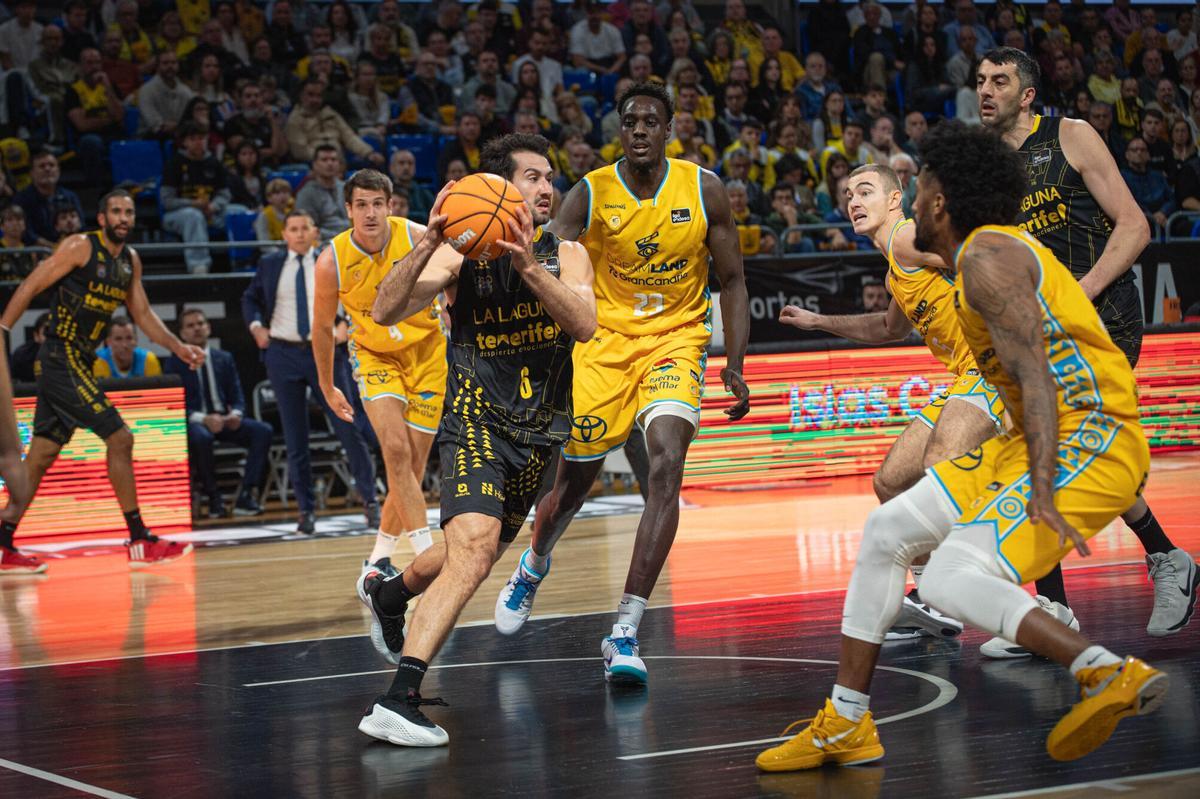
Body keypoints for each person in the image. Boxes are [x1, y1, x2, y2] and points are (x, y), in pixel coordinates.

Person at [756, 119, 1166, 773]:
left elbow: (1038, 376)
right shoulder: (968, 254)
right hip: (1036, 430)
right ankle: (847, 723)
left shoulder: (987, 259)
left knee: (949, 573)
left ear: (939, 202)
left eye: (917, 190)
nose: (910, 205)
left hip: (1089, 436)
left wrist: (1038, 481)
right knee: (887, 527)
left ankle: (1103, 669)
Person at [492, 83, 750, 684]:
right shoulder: (590, 192)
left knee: (666, 463)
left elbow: (734, 281)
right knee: (570, 490)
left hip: (675, 341)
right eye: (630, 120)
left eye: (650, 121)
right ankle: (534, 564)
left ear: (669, 129)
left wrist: (734, 362)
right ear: (619, 129)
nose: (639, 129)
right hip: (602, 347)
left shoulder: (703, 188)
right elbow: (546, 262)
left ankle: (626, 629)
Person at [356, 133, 596, 744]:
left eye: (549, 178)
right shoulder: (458, 257)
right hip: (475, 421)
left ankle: (391, 593)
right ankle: (398, 700)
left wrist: (528, 267)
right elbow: (384, 310)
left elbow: (584, 324)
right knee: (473, 548)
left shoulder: (566, 254)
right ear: (496, 189)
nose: (546, 188)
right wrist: (429, 241)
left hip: (539, 433)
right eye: (532, 177)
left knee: (474, 552)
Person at [978, 47, 1198, 643]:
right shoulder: (985, 166)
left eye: (1000, 81)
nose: (986, 90)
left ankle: (1158, 562)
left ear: (1028, 94)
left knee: (1063, 446)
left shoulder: (1071, 136)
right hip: (1037, 331)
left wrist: (1080, 291)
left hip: (1105, 317)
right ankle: (1071, 598)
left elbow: (1135, 226)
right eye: (980, 81)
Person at [780, 162, 1011, 637]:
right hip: (965, 377)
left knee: (940, 465)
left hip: (995, 367)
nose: (853, 202)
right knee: (890, 482)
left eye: (865, 191)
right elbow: (888, 328)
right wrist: (817, 322)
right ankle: (935, 598)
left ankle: (976, 578)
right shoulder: (895, 272)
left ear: (894, 199)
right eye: (848, 195)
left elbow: (973, 251)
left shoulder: (907, 239)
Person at [0, 191, 204, 573]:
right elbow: (30, 285)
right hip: (60, 357)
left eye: (129, 212)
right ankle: (139, 539)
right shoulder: (79, 246)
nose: (124, 217)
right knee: (120, 438)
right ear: (101, 217)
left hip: (79, 360)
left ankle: (2, 541)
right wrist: (3, 328)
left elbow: (143, 315)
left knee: (41, 456)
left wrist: (178, 347)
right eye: (116, 211)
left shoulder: (129, 261)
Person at [312, 168, 449, 577]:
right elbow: (322, 328)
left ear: (390, 206)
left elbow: (453, 283)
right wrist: (326, 385)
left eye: (377, 204)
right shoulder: (331, 260)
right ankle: (427, 555)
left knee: (412, 466)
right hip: (375, 357)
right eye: (361, 205)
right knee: (395, 450)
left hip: (428, 354)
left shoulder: (418, 236)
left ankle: (377, 557)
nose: (369, 213)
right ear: (348, 210)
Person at [241, 210, 379, 534]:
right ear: (284, 234)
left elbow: (357, 299)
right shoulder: (270, 264)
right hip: (283, 352)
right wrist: (257, 327)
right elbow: (250, 298)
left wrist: (347, 325)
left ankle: (371, 502)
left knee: (349, 427)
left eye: (305, 228)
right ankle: (306, 511)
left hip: (326, 351)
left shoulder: (332, 260)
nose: (300, 233)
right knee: (295, 437)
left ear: (316, 232)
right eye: (293, 228)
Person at [166, 308, 271, 519]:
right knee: (201, 437)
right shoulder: (175, 363)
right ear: (182, 334)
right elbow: (173, 405)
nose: (197, 328)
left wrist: (236, 415)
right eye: (190, 326)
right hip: (196, 422)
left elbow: (238, 395)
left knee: (263, 431)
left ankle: (246, 495)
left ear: (208, 328)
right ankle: (214, 498)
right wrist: (203, 419)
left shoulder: (224, 358)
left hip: (224, 420)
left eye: (200, 323)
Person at [162, 121, 243, 275]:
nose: (198, 142)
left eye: (201, 138)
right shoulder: (174, 164)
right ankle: (199, 267)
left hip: (210, 211)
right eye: (193, 139)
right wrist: (193, 204)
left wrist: (214, 206)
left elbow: (225, 194)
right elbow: (167, 201)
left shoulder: (214, 162)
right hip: (179, 215)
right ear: (184, 142)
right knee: (194, 216)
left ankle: (244, 260)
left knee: (240, 211)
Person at [294, 144, 350, 241]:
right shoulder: (306, 194)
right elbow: (307, 228)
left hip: (353, 239)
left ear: (339, 164)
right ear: (315, 165)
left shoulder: (348, 188)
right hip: (324, 243)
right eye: (324, 160)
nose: (330, 163)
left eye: (333, 159)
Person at [93, 317, 163, 378]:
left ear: (136, 340)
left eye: (129, 338)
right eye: (118, 339)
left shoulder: (148, 359)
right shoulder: (98, 360)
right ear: (108, 342)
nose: (124, 345)